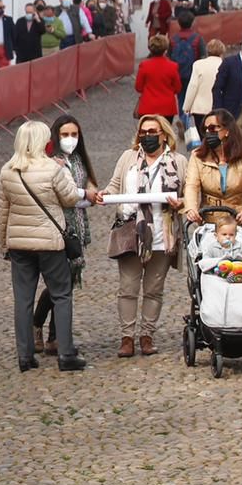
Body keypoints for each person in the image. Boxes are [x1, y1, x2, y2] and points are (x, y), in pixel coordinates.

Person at [0, 121, 84, 372]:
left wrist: (4, 244)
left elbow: (2, 212)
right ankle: (66, 354)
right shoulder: (51, 169)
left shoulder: (7, 171)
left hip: (19, 243)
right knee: (61, 295)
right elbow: (69, 197)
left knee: (23, 300)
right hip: (49, 242)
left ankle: (25, 356)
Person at [101, 113, 188, 357]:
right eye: (144, 132)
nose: (148, 136)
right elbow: (114, 184)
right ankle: (127, 337)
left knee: (154, 288)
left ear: (164, 135)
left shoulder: (178, 161)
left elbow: (190, 191)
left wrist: (182, 202)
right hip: (131, 231)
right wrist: (103, 195)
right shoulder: (128, 158)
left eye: (153, 132)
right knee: (127, 287)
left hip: (163, 232)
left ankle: (147, 335)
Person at [34, 115, 99, 355]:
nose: (70, 139)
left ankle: (54, 336)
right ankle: (37, 323)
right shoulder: (50, 162)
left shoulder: (80, 160)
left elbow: (89, 183)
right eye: (65, 135)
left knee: (68, 283)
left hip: (78, 229)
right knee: (57, 284)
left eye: (74, 134)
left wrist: (92, 191)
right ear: (55, 136)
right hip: (59, 227)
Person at [183, 109, 242, 227]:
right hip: (210, 221)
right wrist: (191, 209)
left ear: (227, 130)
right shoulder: (198, 156)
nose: (209, 133)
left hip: (239, 220)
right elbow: (191, 186)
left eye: (213, 128)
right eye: (206, 129)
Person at [182, 38, 226, 137]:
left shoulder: (198, 64)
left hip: (199, 107)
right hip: (218, 107)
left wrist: (187, 106)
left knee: (203, 136)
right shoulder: (225, 64)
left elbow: (193, 86)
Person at [134, 35, 183, 119]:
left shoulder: (144, 65)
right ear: (165, 50)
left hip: (148, 106)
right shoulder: (173, 66)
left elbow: (138, 87)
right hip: (167, 107)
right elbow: (178, 88)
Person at [168, 10, 206, 102]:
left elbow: (169, 57)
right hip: (193, 73)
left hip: (178, 73)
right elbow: (203, 56)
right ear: (192, 23)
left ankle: (183, 115)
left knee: (180, 97)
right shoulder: (197, 38)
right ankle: (188, 115)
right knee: (192, 98)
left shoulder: (173, 39)